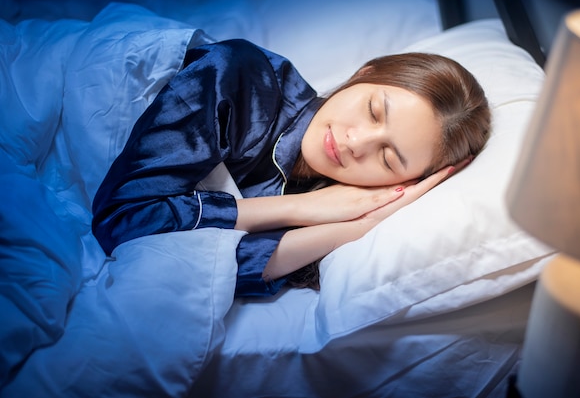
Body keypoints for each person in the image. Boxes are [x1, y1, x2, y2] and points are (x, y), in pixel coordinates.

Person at [92, 38, 491, 297]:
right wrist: (300, 210)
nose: (356, 142)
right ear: (363, 74)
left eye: (387, 158)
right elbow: (122, 222)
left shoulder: (333, 197)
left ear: (403, 181)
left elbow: (217, 273)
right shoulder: (238, 75)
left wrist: (356, 228)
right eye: (372, 110)